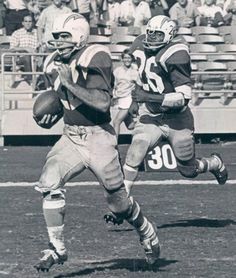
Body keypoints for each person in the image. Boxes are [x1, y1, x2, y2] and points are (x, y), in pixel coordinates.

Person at [33, 12, 160, 272]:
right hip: (71, 135)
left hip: (99, 137)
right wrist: (52, 111)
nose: (58, 42)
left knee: (119, 204)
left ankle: (146, 231)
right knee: (49, 182)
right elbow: (61, 100)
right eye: (56, 37)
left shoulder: (96, 55)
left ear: (80, 36)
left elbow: (102, 102)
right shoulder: (51, 62)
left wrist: (69, 84)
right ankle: (57, 249)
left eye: (64, 36)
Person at [104, 15, 228, 225]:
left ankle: (214, 163)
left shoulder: (176, 53)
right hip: (151, 115)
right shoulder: (139, 44)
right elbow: (141, 77)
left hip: (177, 120)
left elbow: (183, 98)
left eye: (158, 34)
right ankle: (121, 207)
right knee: (136, 150)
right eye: (150, 32)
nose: (152, 38)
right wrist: (137, 99)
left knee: (188, 170)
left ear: (169, 35)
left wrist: (149, 97)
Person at [112, 49, 139, 137]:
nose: (127, 60)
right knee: (131, 126)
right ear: (122, 59)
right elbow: (114, 84)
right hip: (120, 99)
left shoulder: (135, 71)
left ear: (132, 59)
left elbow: (139, 85)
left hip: (128, 99)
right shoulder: (117, 71)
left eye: (129, 58)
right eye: (125, 58)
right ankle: (147, 128)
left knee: (116, 122)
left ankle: (115, 147)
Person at [10, 13, 38, 85]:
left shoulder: (37, 33)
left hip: (36, 57)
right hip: (21, 58)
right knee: (27, 57)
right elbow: (12, 49)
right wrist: (26, 48)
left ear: (33, 23)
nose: (28, 24)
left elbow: (41, 44)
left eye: (30, 21)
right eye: (26, 21)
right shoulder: (17, 33)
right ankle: (31, 80)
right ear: (23, 23)